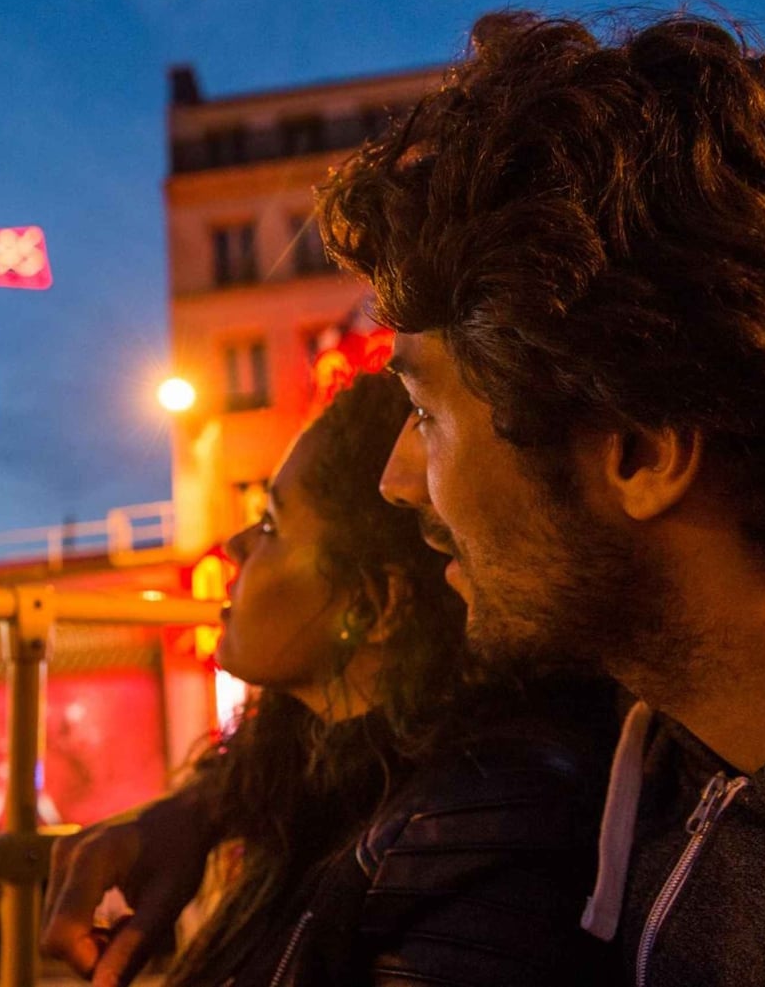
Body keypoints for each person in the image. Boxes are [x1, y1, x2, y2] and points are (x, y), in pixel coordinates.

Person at [317, 9, 765, 987]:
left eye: (424, 414)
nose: (395, 480)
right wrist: (213, 809)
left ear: (640, 451)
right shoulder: (659, 719)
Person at [42, 373, 616, 986]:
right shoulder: (309, 783)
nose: (234, 546)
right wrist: (198, 808)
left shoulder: (473, 834)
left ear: (369, 608)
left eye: (270, 525)